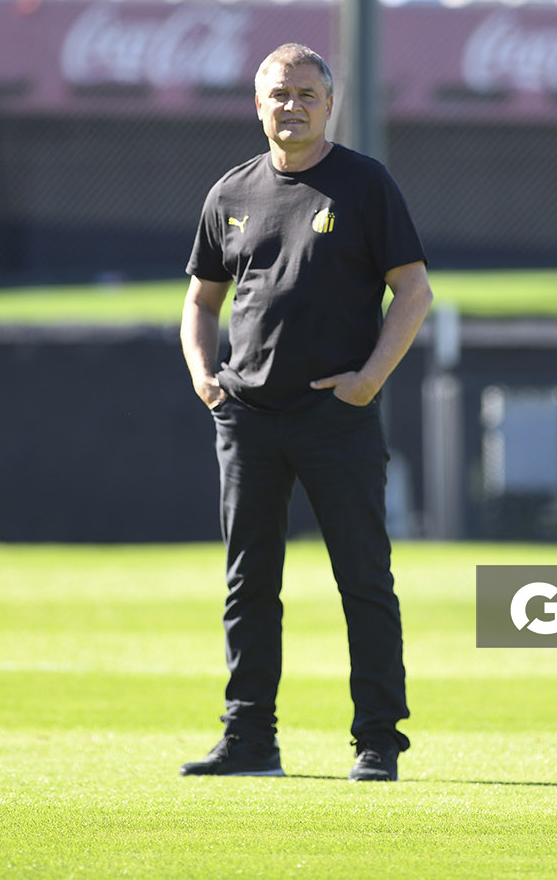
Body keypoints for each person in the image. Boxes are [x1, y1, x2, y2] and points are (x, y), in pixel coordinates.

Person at [178, 43, 433, 782]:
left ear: (330, 104)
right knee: (248, 582)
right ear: (258, 105)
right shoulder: (230, 192)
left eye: (306, 95)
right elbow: (201, 301)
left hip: (335, 416)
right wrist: (204, 375)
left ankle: (378, 740)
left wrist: (367, 381)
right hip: (248, 415)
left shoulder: (364, 185)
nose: (292, 106)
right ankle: (250, 737)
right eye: (278, 94)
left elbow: (412, 293)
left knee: (363, 577)